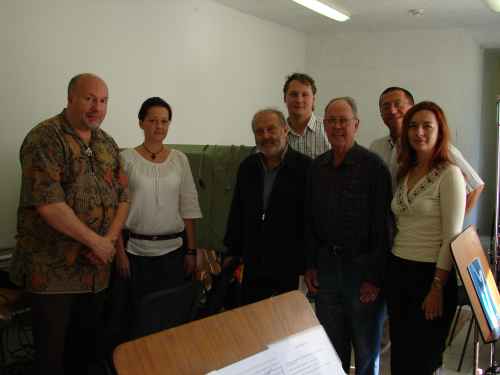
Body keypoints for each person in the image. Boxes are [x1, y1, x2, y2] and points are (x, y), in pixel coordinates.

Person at [10, 73, 129, 375]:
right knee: (51, 360)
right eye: (89, 99)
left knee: (86, 354)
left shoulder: (107, 143)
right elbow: (49, 204)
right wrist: (96, 242)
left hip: (95, 271)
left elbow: (124, 196)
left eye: (103, 101)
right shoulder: (45, 138)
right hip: (52, 276)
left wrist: (108, 241)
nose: (97, 108)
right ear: (70, 98)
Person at [304, 97, 392, 375]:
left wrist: (374, 278)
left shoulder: (374, 168)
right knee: (330, 351)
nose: (338, 127)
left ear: (356, 124)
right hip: (327, 273)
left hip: (362, 275)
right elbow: (309, 221)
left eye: (344, 121)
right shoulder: (316, 168)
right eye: (331, 121)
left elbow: (383, 227)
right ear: (324, 127)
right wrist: (310, 265)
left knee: (366, 354)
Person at [387, 101, 466, 375]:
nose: (418, 132)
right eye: (412, 126)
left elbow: (451, 237)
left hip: (431, 277)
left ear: (439, 131)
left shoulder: (450, 174)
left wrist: (436, 287)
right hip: (399, 272)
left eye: (426, 126)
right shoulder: (405, 171)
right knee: (401, 357)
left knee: (423, 360)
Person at [115, 97, 202, 304]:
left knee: (169, 315)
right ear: (141, 123)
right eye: (153, 120)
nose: (159, 126)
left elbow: (188, 207)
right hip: (134, 252)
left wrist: (191, 251)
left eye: (164, 121)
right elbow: (114, 209)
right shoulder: (126, 159)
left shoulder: (180, 159)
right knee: (136, 315)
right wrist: (119, 253)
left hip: (174, 253)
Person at [224, 108, 312, 304]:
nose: (266, 136)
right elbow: (237, 211)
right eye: (259, 131)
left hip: (290, 266)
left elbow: (311, 221)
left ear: (285, 130)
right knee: (253, 326)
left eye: (271, 129)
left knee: (287, 327)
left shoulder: (306, 168)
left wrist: (309, 264)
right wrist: (231, 251)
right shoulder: (248, 167)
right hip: (254, 265)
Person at [370, 86, 483, 213]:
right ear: (381, 113)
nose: (392, 110)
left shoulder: (430, 145)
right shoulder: (375, 147)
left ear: (412, 109)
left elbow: (475, 187)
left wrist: (452, 222)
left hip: (422, 228)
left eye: (398, 104)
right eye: (385, 107)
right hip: (387, 225)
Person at [283, 73, 330, 159]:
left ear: (313, 99)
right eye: (294, 94)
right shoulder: (277, 133)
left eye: (305, 95)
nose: (299, 100)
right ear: (284, 98)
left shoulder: (329, 129)